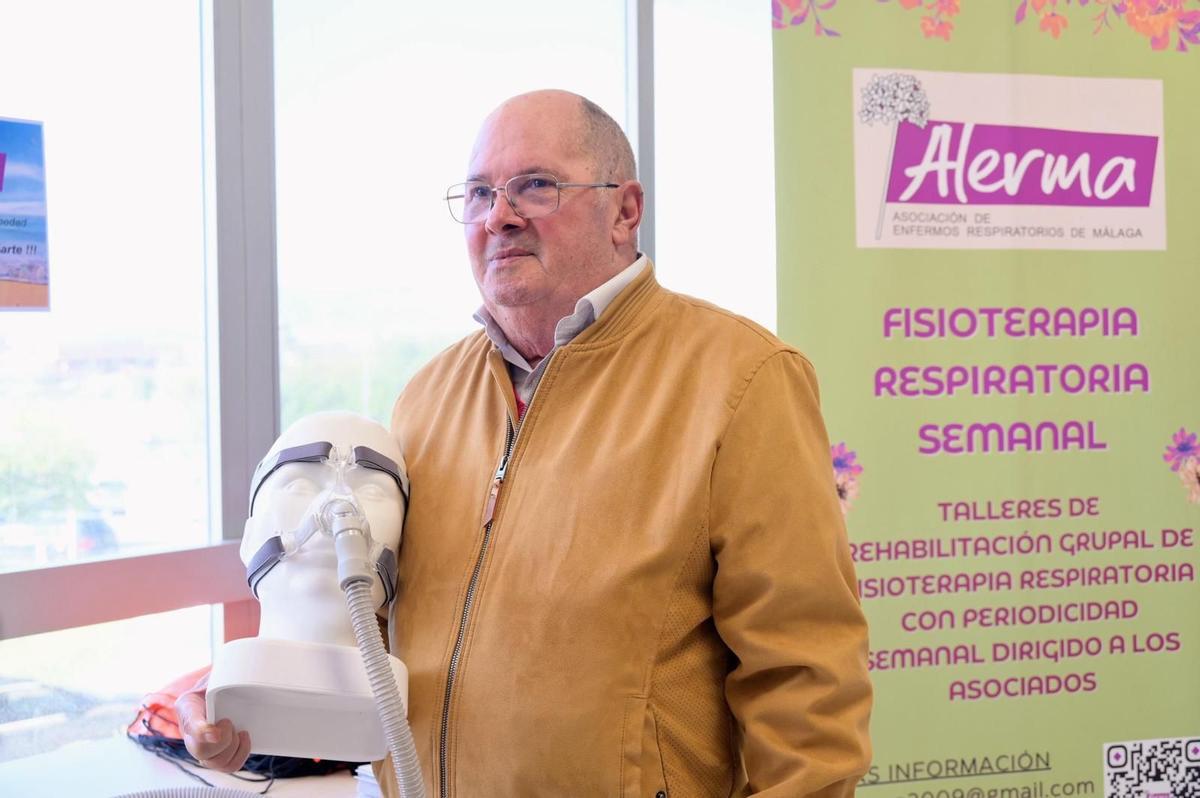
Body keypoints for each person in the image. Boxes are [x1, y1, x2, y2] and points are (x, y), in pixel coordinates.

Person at [181, 89, 872, 797]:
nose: (498, 215)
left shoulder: (742, 380)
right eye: (479, 192)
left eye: (535, 186)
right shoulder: (426, 397)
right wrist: (242, 701)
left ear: (625, 210)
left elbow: (808, 681)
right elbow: (368, 626)